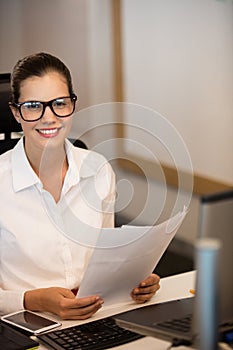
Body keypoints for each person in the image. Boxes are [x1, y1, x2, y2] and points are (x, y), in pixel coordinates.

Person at [0, 52, 160, 320]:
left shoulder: (98, 170)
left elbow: (106, 261)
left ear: (72, 104)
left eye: (60, 103)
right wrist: (33, 300)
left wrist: (132, 281)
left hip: (96, 316)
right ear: (16, 113)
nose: (49, 118)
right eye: (32, 106)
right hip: (24, 327)